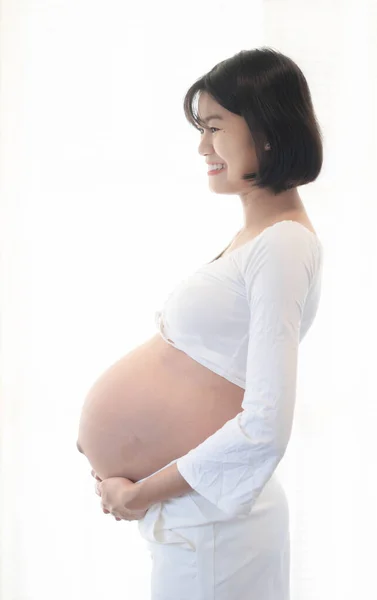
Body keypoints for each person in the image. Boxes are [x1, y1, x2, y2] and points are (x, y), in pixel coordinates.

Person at [136, 47, 324, 600]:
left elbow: (266, 423)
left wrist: (143, 490)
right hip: (201, 525)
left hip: (218, 532)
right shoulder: (259, 239)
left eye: (214, 126)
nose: (202, 146)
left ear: (265, 130)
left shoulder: (283, 244)